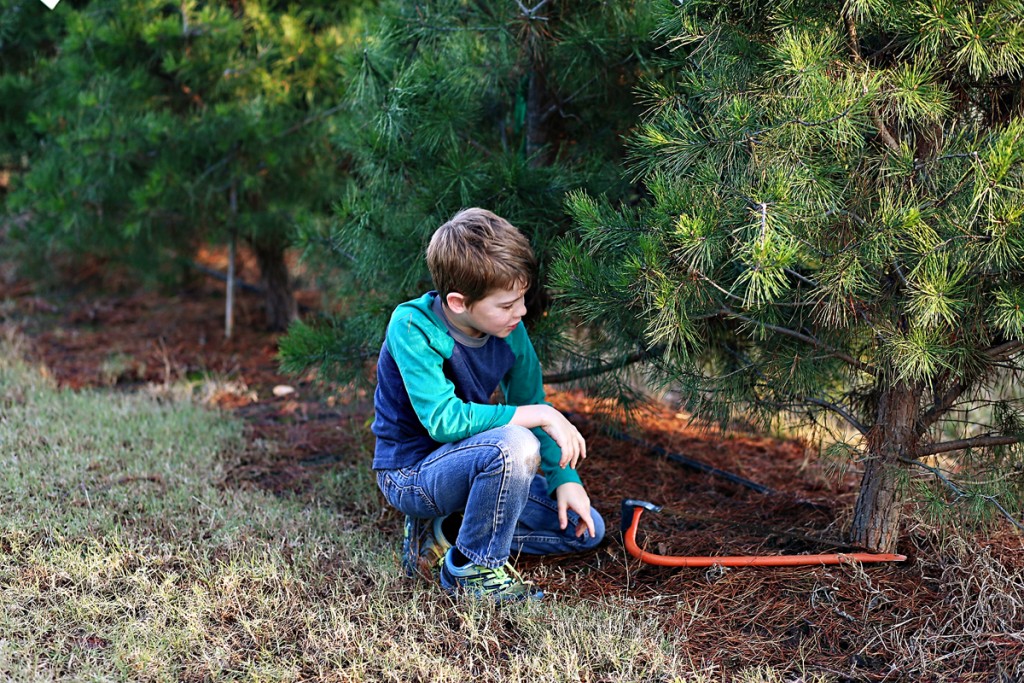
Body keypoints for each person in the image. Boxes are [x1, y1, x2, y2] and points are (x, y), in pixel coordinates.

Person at [371, 208, 605, 601]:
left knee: (585, 530)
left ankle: (448, 530)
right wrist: (539, 415)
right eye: (507, 304)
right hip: (410, 474)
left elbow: (530, 400)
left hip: (474, 463)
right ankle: (471, 569)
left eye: (522, 298)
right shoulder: (412, 327)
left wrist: (565, 479)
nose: (522, 312)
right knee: (516, 444)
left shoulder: (510, 330)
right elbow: (443, 421)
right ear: (459, 303)